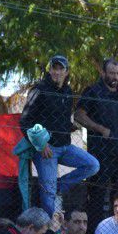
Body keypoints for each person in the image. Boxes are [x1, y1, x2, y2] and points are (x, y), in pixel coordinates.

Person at [19, 55, 100, 215]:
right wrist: (41, 145)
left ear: (66, 71)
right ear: (49, 70)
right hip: (46, 150)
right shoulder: (39, 90)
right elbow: (25, 121)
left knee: (93, 165)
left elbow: (58, 117)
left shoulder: (68, 91)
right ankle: (49, 230)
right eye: (53, 68)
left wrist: (69, 126)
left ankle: (59, 186)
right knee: (48, 195)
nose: (56, 72)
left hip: (65, 146)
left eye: (60, 68)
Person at [75, 58, 118, 225]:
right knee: (97, 194)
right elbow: (79, 115)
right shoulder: (93, 91)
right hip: (101, 153)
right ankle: (94, 231)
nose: (115, 77)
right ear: (103, 73)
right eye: (111, 73)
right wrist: (100, 129)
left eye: (117, 73)